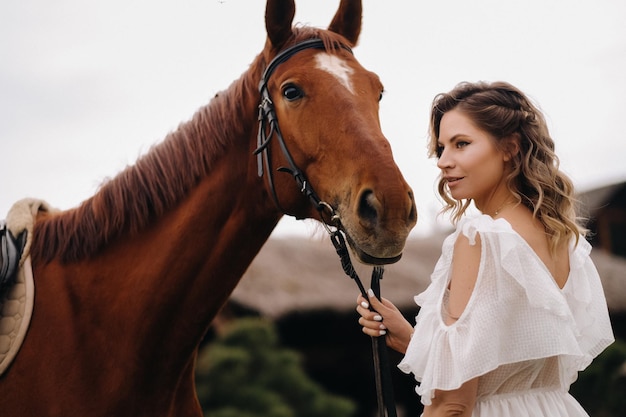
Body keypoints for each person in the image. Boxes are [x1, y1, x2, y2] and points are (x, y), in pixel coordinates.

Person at [356, 81, 614, 417]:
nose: (443, 161)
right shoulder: (564, 241)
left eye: (461, 144)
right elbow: (499, 369)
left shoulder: (482, 238)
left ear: (509, 146)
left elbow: (454, 404)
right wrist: (411, 339)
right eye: (441, 148)